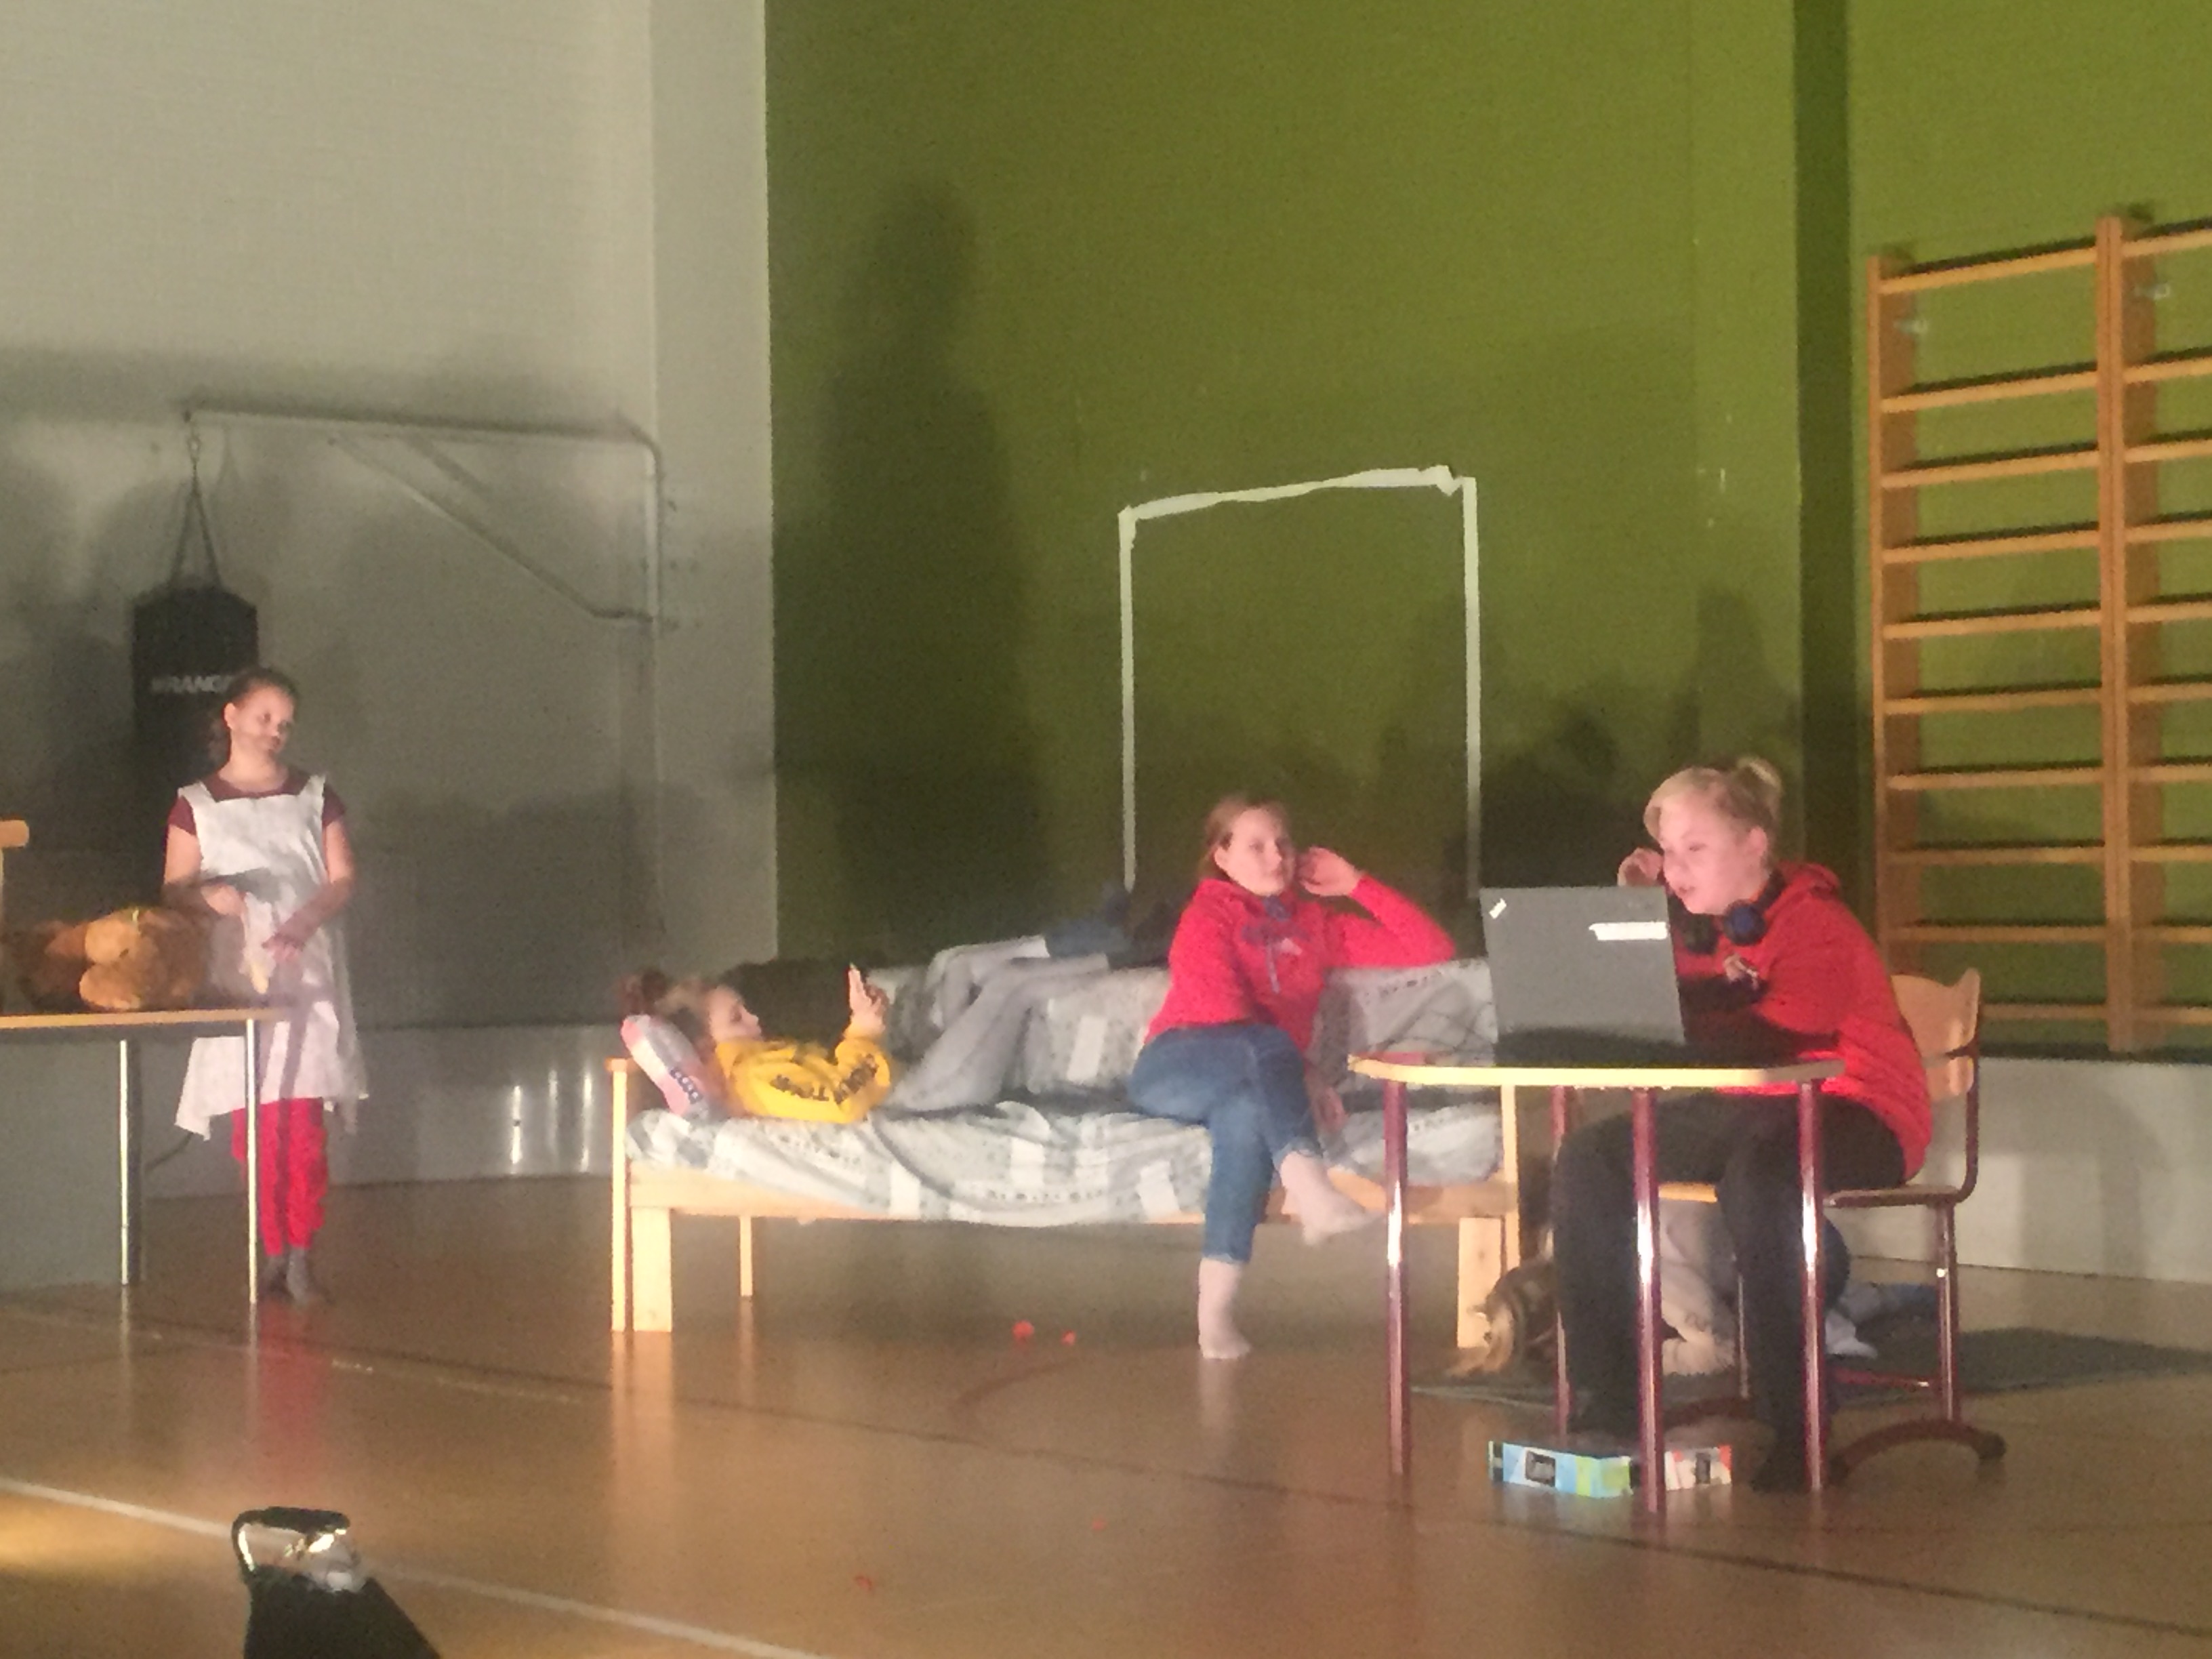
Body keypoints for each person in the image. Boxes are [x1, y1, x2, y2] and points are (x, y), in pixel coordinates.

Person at [1552, 756, 1929, 1491]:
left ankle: (1798, 1422)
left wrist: (1652, 1030)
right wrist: (1636, 916)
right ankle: (1611, 1397)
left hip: (1862, 1111)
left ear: (1755, 844)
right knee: (1592, 1157)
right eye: (1668, 852)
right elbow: (1652, 996)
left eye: (1695, 848)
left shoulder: (1817, 924)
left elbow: (1767, 1036)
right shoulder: (1718, 932)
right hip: (1753, 1108)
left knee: (1761, 1174)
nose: (1676, 868)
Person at [1126, 795, 1456, 1359]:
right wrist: (1304, 1074)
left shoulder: (1312, 925)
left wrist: (1356, 884)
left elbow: (1430, 948)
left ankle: (1214, 1315)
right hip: (1175, 1064)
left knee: (1246, 1124)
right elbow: (1223, 1012)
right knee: (1269, 1043)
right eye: (1256, 846)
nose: (1276, 857)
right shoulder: (1208, 915)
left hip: (1253, 1078)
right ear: (1221, 857)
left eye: (1283, 843)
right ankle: (1312, 1190)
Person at [165, 668, 366, 1305]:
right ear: (231, 716)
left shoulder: (315, 795)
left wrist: (303, 923)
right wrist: (209, 896)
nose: (275, 732)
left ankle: (301, 1250)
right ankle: (271, 1246)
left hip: (305, 973)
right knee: (255, 1122)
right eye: (264, 718)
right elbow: (174, 888)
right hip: (237, 975)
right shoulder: (196, 803)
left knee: (301, 1121)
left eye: (285, 724)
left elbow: (340, 878)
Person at [619, 963, 895, 1124]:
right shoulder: (752, 1078)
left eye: (746, 1009)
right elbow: (842, 1101)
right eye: (737, 1017)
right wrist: (864, 1033)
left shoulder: (758, 1060)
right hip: (891, 1099)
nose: (755, 1019)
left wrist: (863, 1027)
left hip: (889, 1086)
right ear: (706, 1047)